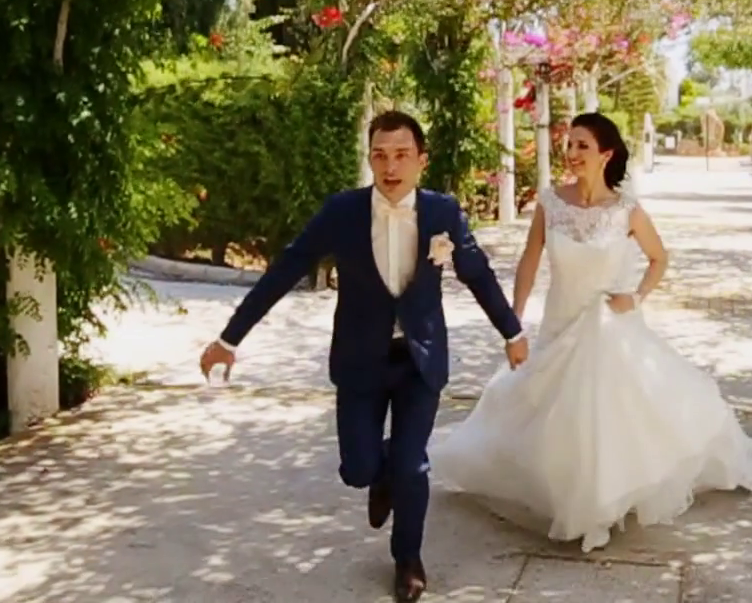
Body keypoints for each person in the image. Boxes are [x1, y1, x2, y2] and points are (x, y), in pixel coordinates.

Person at [198, 111, 528, 603]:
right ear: (370, 159)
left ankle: (408, 559)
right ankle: (381, 474)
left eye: (401, 155)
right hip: (360, 359)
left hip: (420, 359)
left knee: (413, 465)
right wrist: (229, 339)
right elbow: (287, 268)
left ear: (421, 160)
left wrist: (512, 332)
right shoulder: (343, 212)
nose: (390, 167)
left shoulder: (442, 212)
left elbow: (477, 274)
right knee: (357, 468)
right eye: (380, 155)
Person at [430, 111, 752, 552]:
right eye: (569, 144)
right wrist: (514, 324)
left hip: (610, 329)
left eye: (582, 145)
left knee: (602, 416)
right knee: (547, 411)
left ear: (606, 154)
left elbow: (660, 258)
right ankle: (563, 494)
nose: (572, 153)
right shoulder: (550, 203)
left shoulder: (627, 210)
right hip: (559, 322)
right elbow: (529, 261)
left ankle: (598, 507)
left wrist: (636, 297)